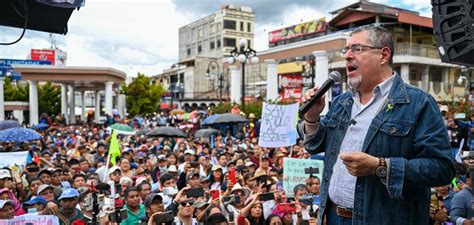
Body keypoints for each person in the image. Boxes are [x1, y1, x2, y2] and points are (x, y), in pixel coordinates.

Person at [298, 25, 455, 225]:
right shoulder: (341, 102)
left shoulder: (418, 103)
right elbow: (313, 145)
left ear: (383, 55)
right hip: (333, 217)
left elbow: (442, 169)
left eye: (356, 49)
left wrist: (380, 166)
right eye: (345, 50)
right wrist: (312, 118)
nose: (347, 56)